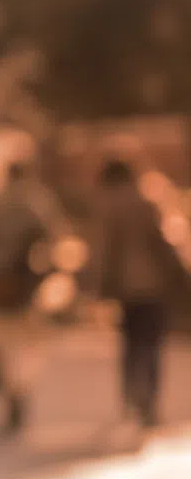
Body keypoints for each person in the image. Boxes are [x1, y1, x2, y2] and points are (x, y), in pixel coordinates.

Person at [92, 157, 186, 434]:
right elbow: (166, 244)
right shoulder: (150, 202)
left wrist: (102, 288)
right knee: (152, 346)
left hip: (126, 290)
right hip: (154, 288)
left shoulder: (110, 210)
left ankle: (132, 399)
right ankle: (149, 403)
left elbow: (106, 254)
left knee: (131, 346)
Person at [0, 160, 60, 435]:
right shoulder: (34, 204)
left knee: (1, 346)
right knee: (23, 346)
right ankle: (18, 393)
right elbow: (52, 242)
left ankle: (11, 395)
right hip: (22, 288)